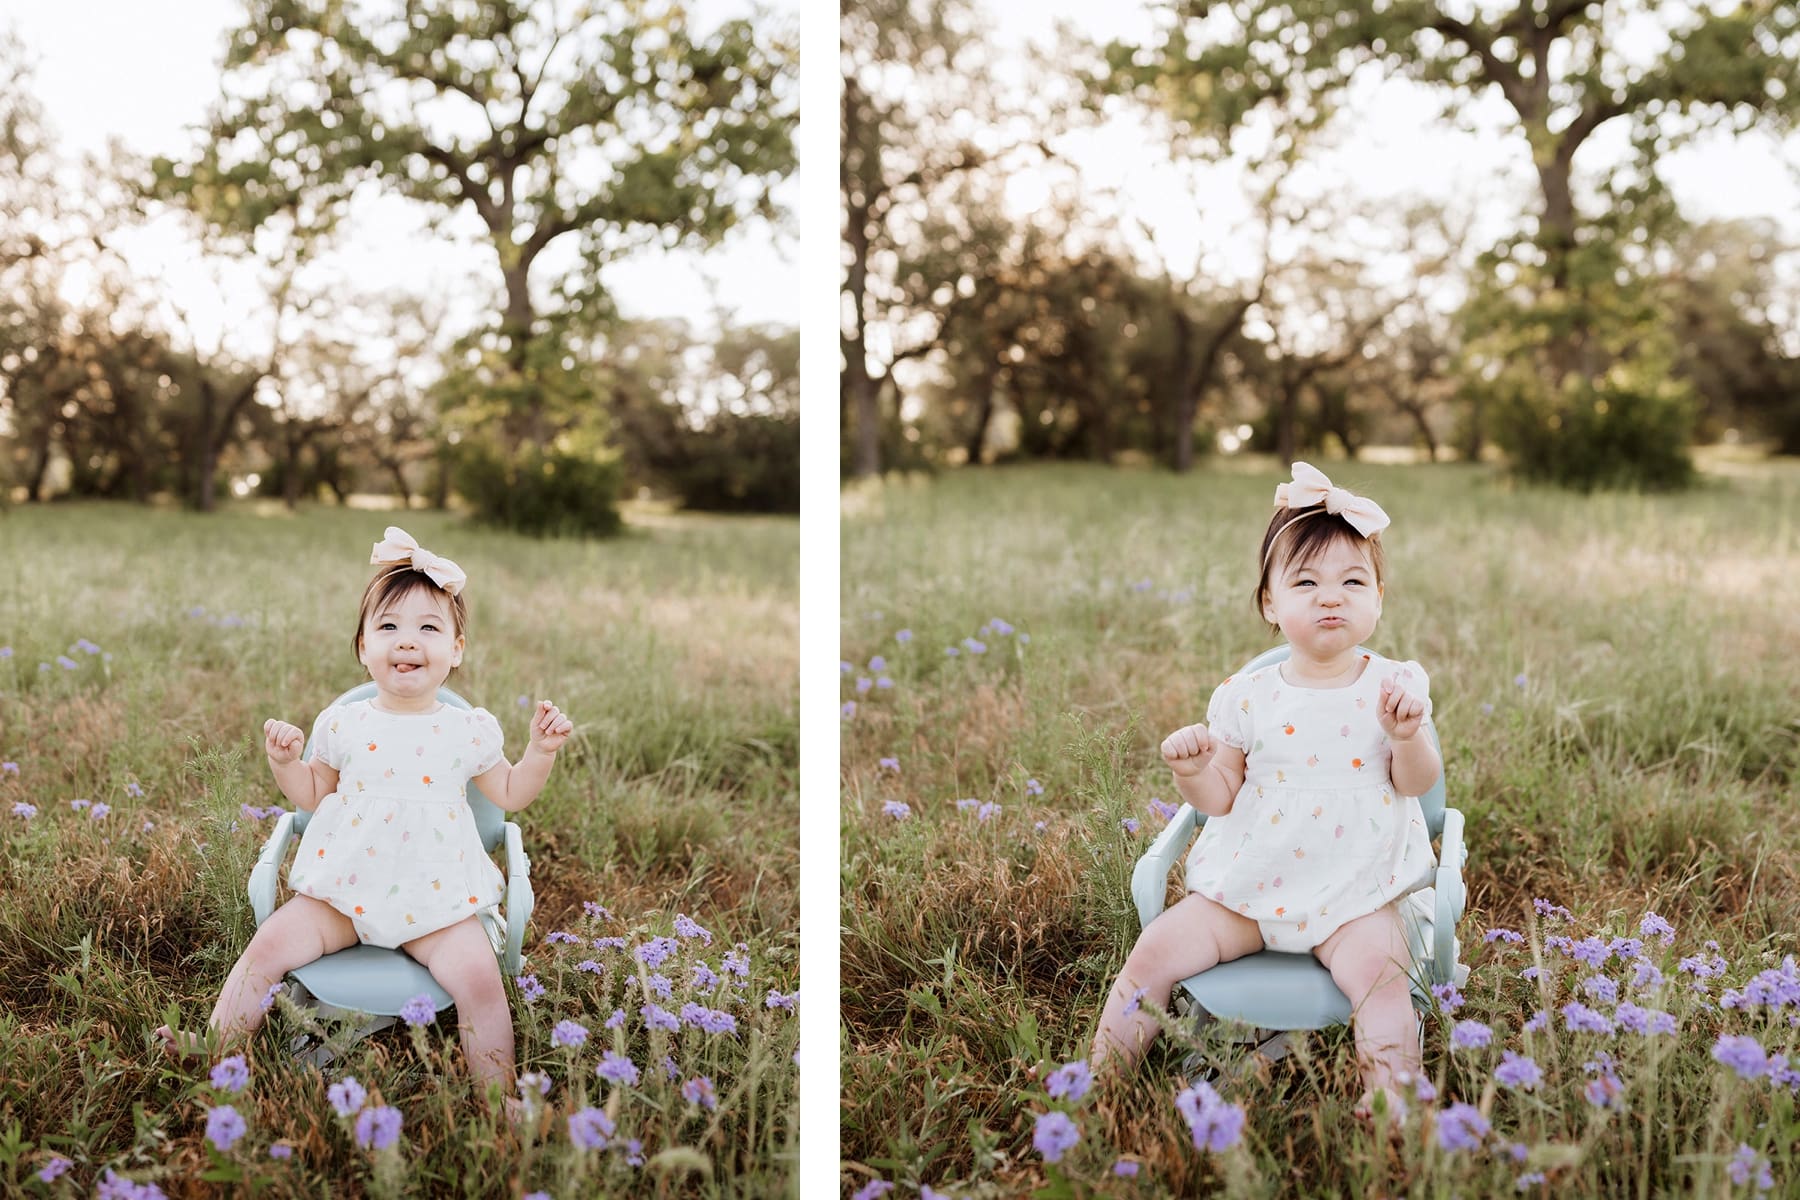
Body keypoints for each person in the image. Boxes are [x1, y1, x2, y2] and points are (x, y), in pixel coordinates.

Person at [158, 527, 574, 1095]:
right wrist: (284, 764)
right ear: (362, 648)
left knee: (479, 978)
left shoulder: (466, 729)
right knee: (270, 945)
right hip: (344, 892)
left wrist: (539, 753)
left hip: (436, 901)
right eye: (388, 627)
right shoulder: (343, 723)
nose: (407, 642)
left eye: (429, 628)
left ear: (455, 651)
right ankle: (215, 1045)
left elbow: (510, 792)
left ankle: (496, 1094)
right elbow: (312, 795)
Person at [1091, 463, 1441, 1118]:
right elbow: (1220, 796)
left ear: (1379, 598)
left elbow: (1414, 784)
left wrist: (1406, 735)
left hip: (1356, 893)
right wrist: (1194, 770)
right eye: (1305, 582)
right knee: (1154, 952)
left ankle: (1392, 1110)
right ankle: (1102, 1086)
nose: (1330, 596)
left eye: (1352, 581)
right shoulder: (1246, 694)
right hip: (1250, 889)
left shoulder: (1394, 685)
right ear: (1271, 605)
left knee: (1383, 979)